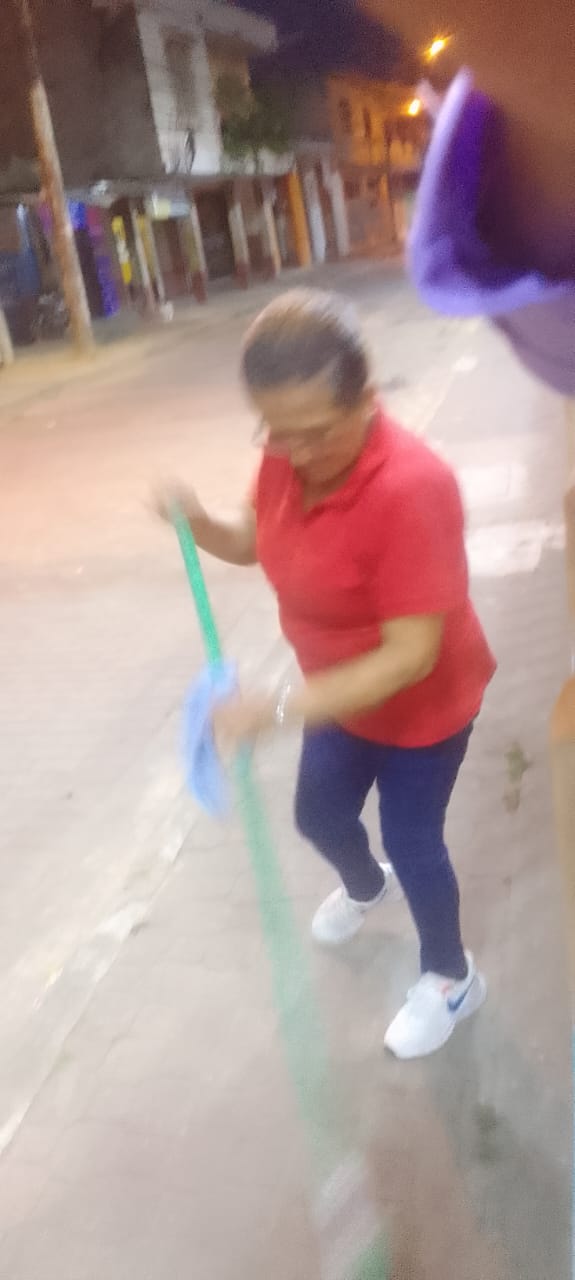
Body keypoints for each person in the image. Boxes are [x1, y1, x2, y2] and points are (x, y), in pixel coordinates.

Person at [158, 289, 496, 1060]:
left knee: (412, 838)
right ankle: (365, 883)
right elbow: (254, 540)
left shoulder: (411, 487)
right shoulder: (286, 457)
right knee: (317, 815)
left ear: (365, 397)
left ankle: (450, 976)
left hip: (422, 708)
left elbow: (410, 656)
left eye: (315, 432)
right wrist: (199, 521)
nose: (295, 451)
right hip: (337, 696)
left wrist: (279, 708)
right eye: (275, 431)